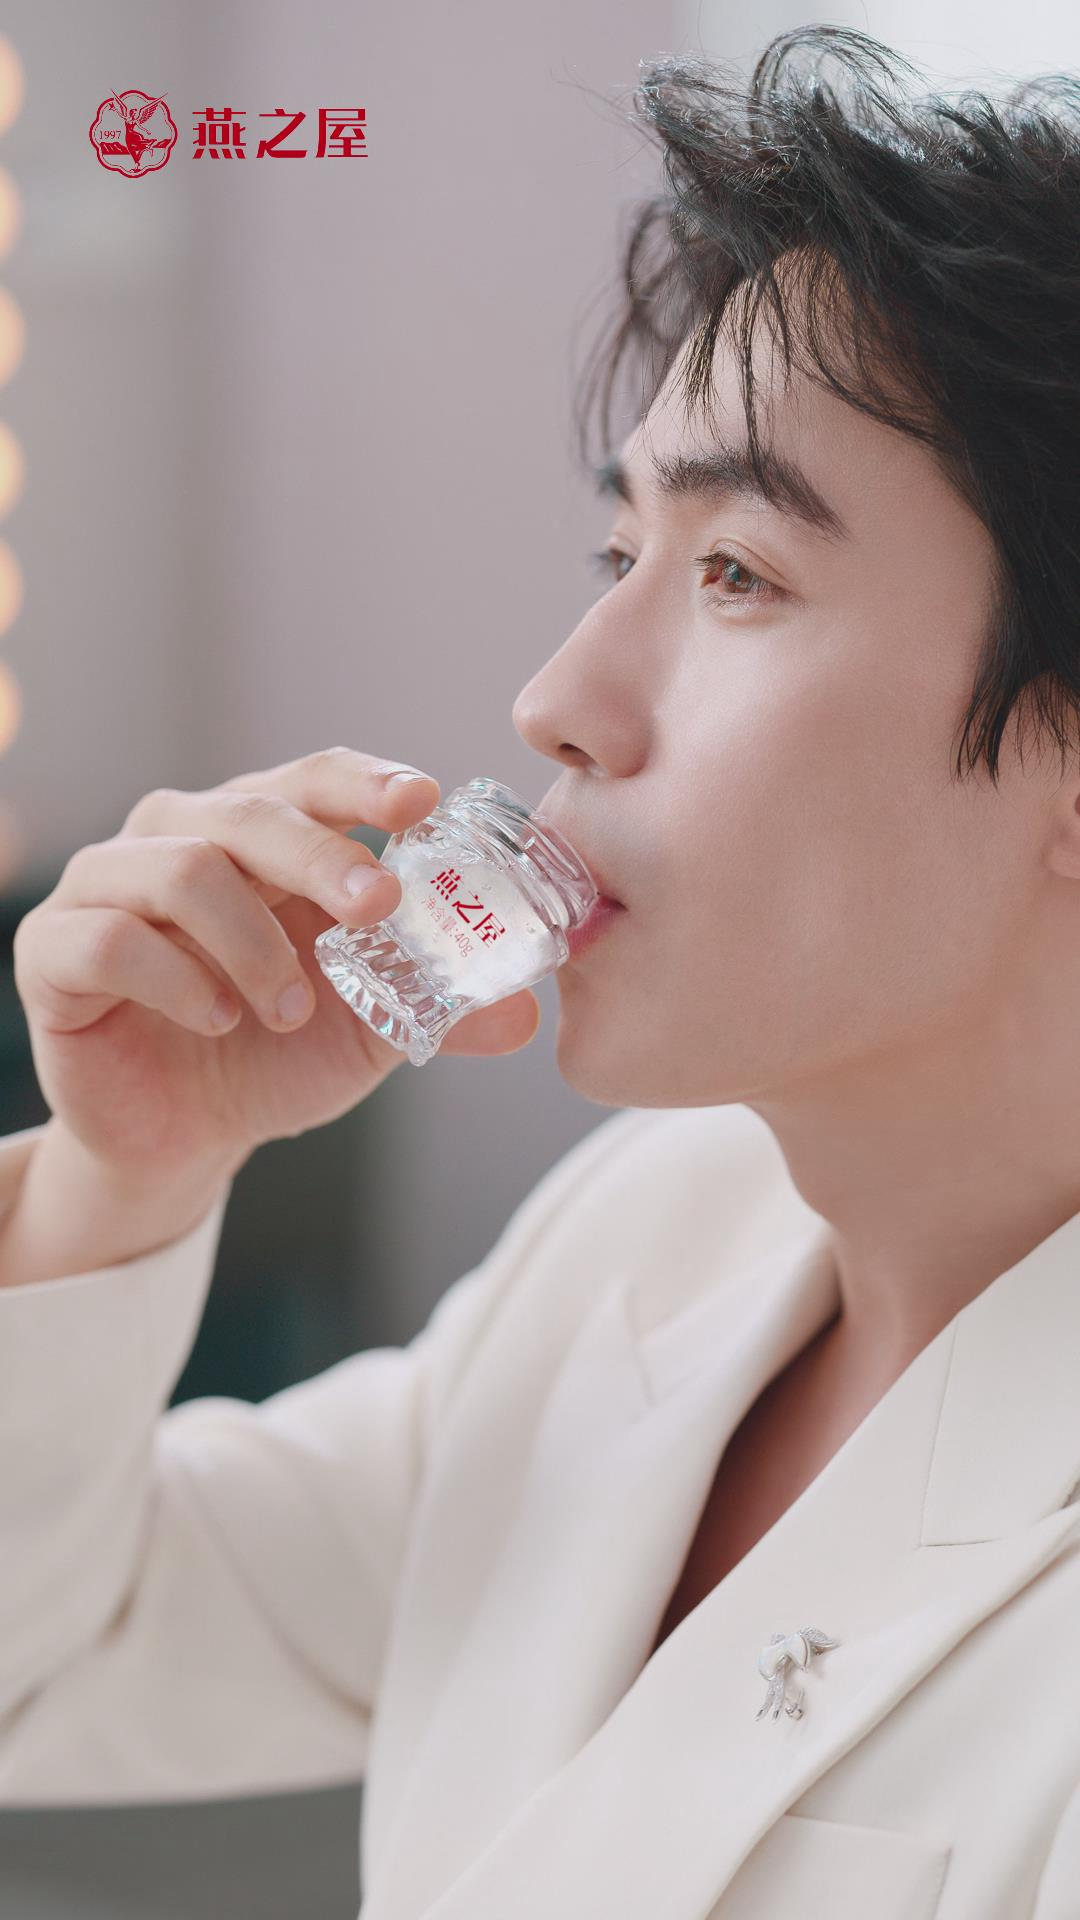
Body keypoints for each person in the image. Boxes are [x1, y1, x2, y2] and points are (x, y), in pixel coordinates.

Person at [2, 22, 1080, 1917]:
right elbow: (49, 1665)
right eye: (618, 550)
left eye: (738, 574)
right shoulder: (646, 1242)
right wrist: (128, 1172)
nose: (558, 700)